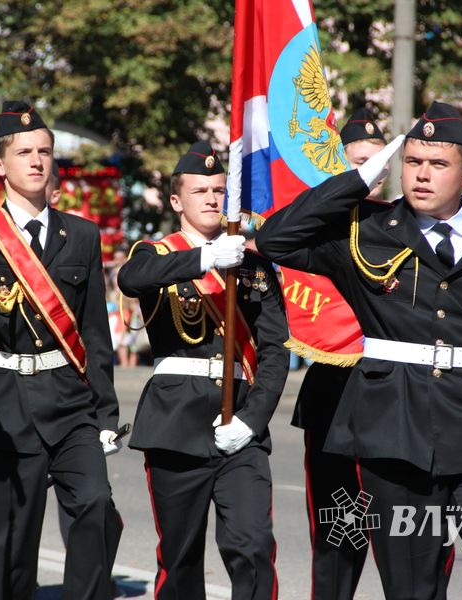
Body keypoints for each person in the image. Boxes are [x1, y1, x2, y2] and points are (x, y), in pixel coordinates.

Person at [256, 101, 462, 600]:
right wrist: (352, 182)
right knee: (414, 587)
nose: (423, 176)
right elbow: (275, 238)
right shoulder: (365, 232)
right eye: (413, 163)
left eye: (438, 165)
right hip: (396, 436)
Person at [0, 101, 122, 600]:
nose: (38, 161)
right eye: (25, 152)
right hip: (3, 400)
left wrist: (106, 414)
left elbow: (94, 332)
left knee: (95, 506)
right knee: (8, 544)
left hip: (68, 399)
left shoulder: (81, 234)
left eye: (45, 151)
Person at [118, 141, 290, 599]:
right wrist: (205, 259)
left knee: (253, 547)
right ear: (177, 200)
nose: (212, 199)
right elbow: (131, 279)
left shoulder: (253, 266)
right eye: (200, 191)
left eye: (219, 190)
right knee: (181, 558)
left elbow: (275, 351)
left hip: (240, 424)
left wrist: (253, 421)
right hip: (176, 424)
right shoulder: (157, 253)